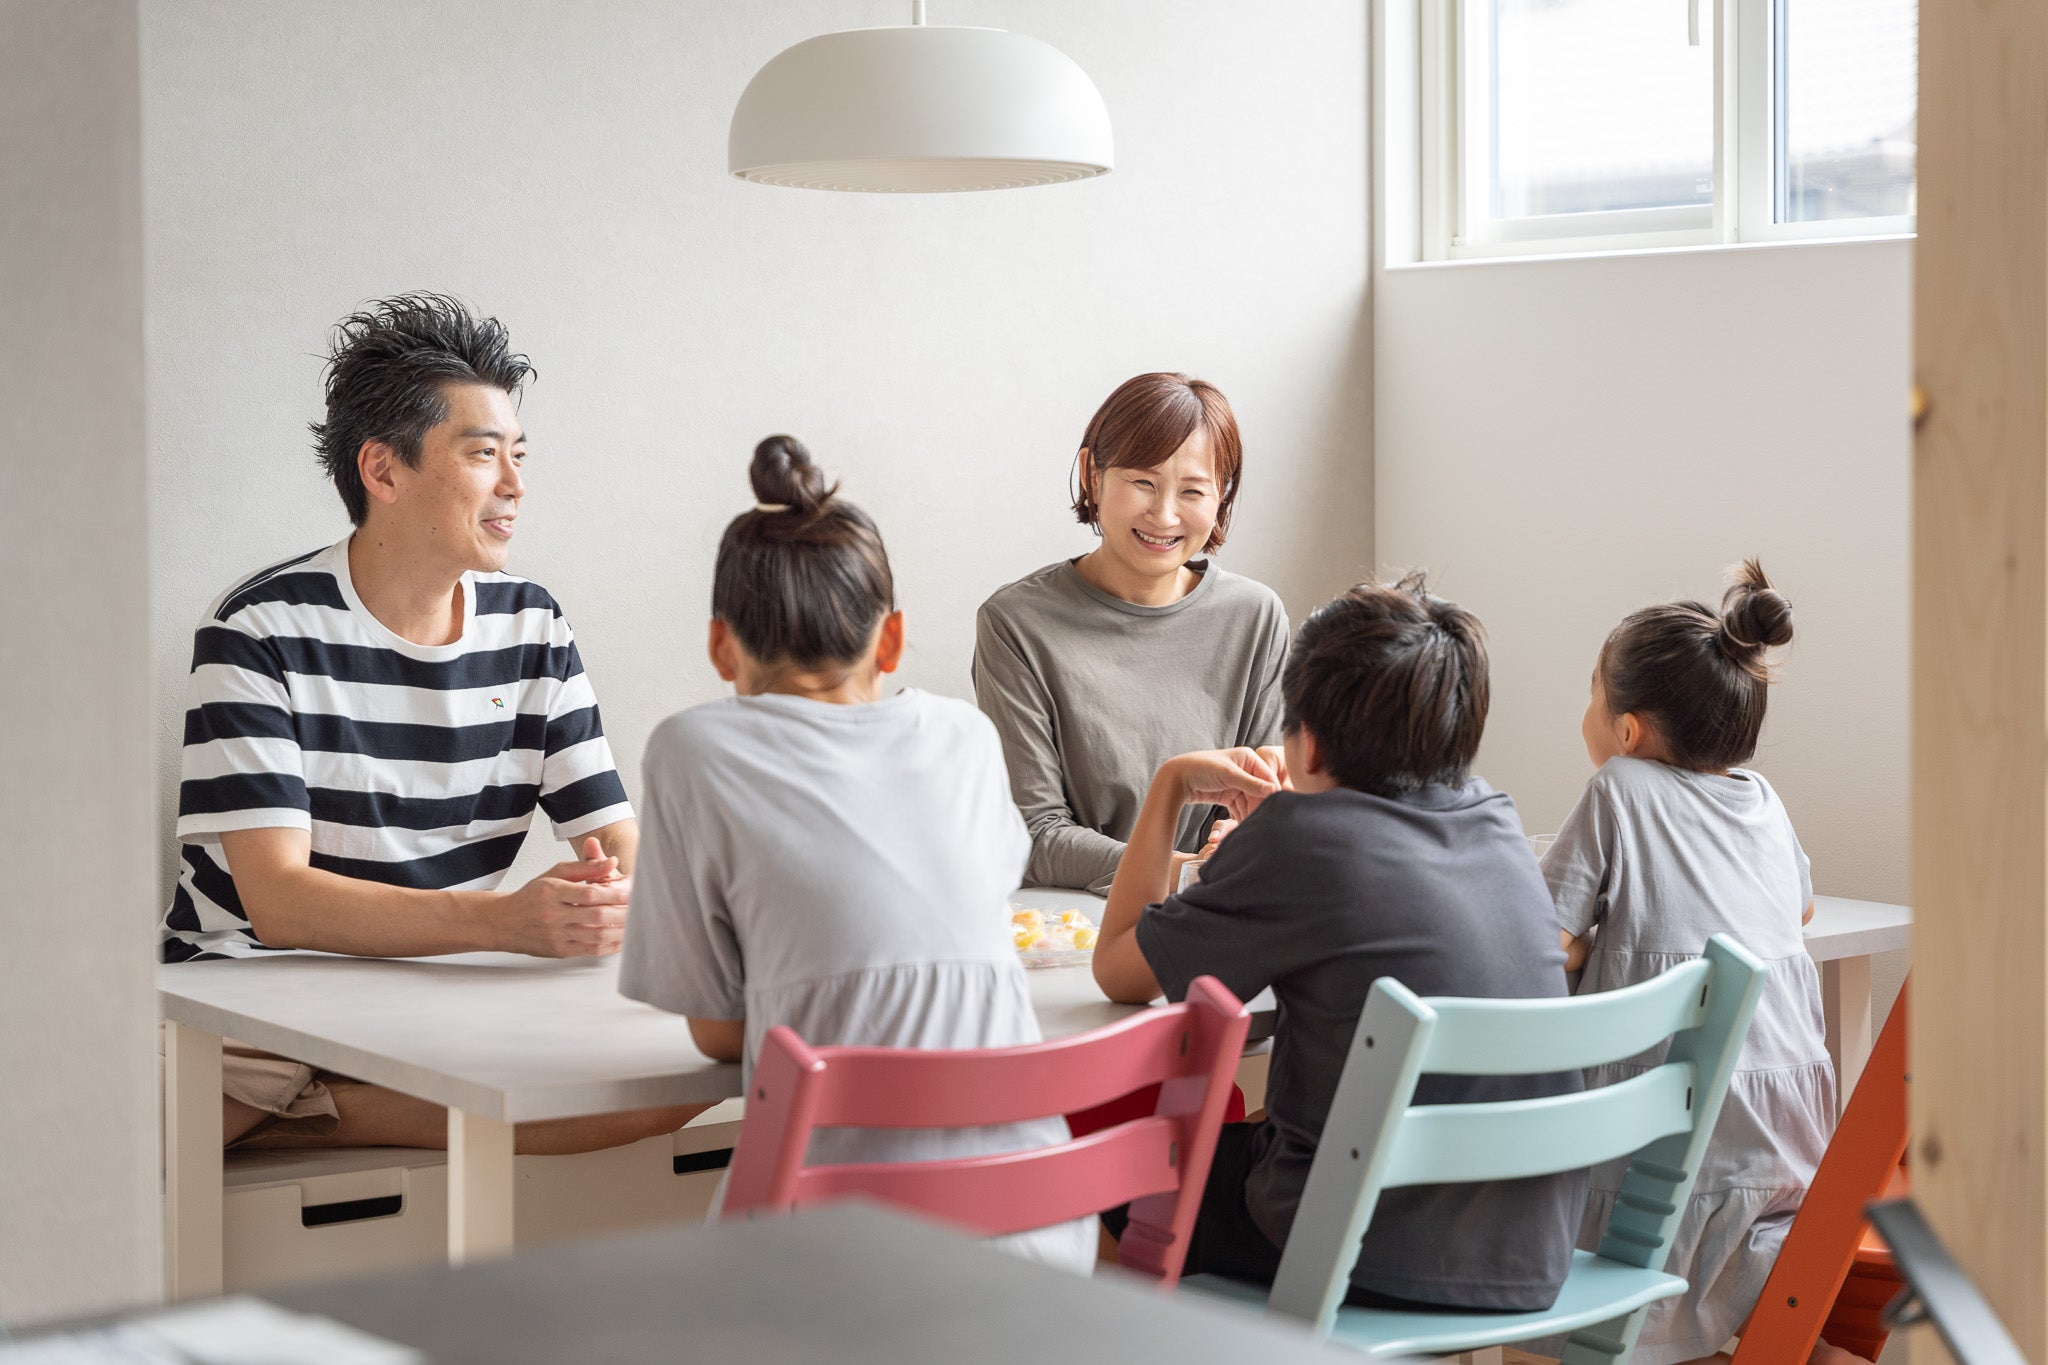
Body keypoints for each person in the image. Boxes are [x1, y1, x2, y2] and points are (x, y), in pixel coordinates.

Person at [161, 293, 703, 1153]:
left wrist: (608, 903)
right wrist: (504, 925)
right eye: (485, 455)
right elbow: (279, 904)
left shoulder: (533, 625)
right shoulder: (258, 629)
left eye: (518, 455)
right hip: (253, 996)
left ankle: (294, 1117)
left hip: (429, 993)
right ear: (383, 471)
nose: (516, 485)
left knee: (664, 1087)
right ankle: (276, 1105)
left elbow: (621, 849)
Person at [619, 435, 1095, 1272]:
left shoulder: (694, 751)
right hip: (1037, 1244)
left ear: (721, 646)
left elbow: (717, 1029)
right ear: (893, 640)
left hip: (835, 1264)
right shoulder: (966, 737)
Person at [1091, 575, 1587, 1311]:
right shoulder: (1495, 819)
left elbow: (1120, 969)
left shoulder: (1299, 839)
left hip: (1360, 1239)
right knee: (1259, 1131)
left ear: (1309, 745)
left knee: (1114, 1172)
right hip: (1525, 1245)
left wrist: (1169, 787)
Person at [1541, 561, 1836, 1365]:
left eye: (1591, 696)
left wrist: (1598, 938)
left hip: (1667, 1159)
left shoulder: (1620, 788)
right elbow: (1801, 907)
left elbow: (1547, 938)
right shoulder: (1763, 801)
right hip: (1787, 1159)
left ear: (1627, 728)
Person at [974, 372, 1291, 894]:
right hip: (1074, 924)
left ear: (1221, 498)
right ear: (1091, 474)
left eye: (1192, 491)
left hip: (1221, 909)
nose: (1164, 515)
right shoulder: (1015, 622)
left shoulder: (1256, 616)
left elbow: (1268, 805)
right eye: (1143, 482)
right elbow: (1034, 832)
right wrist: (1186, 869)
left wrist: (1235, 847)